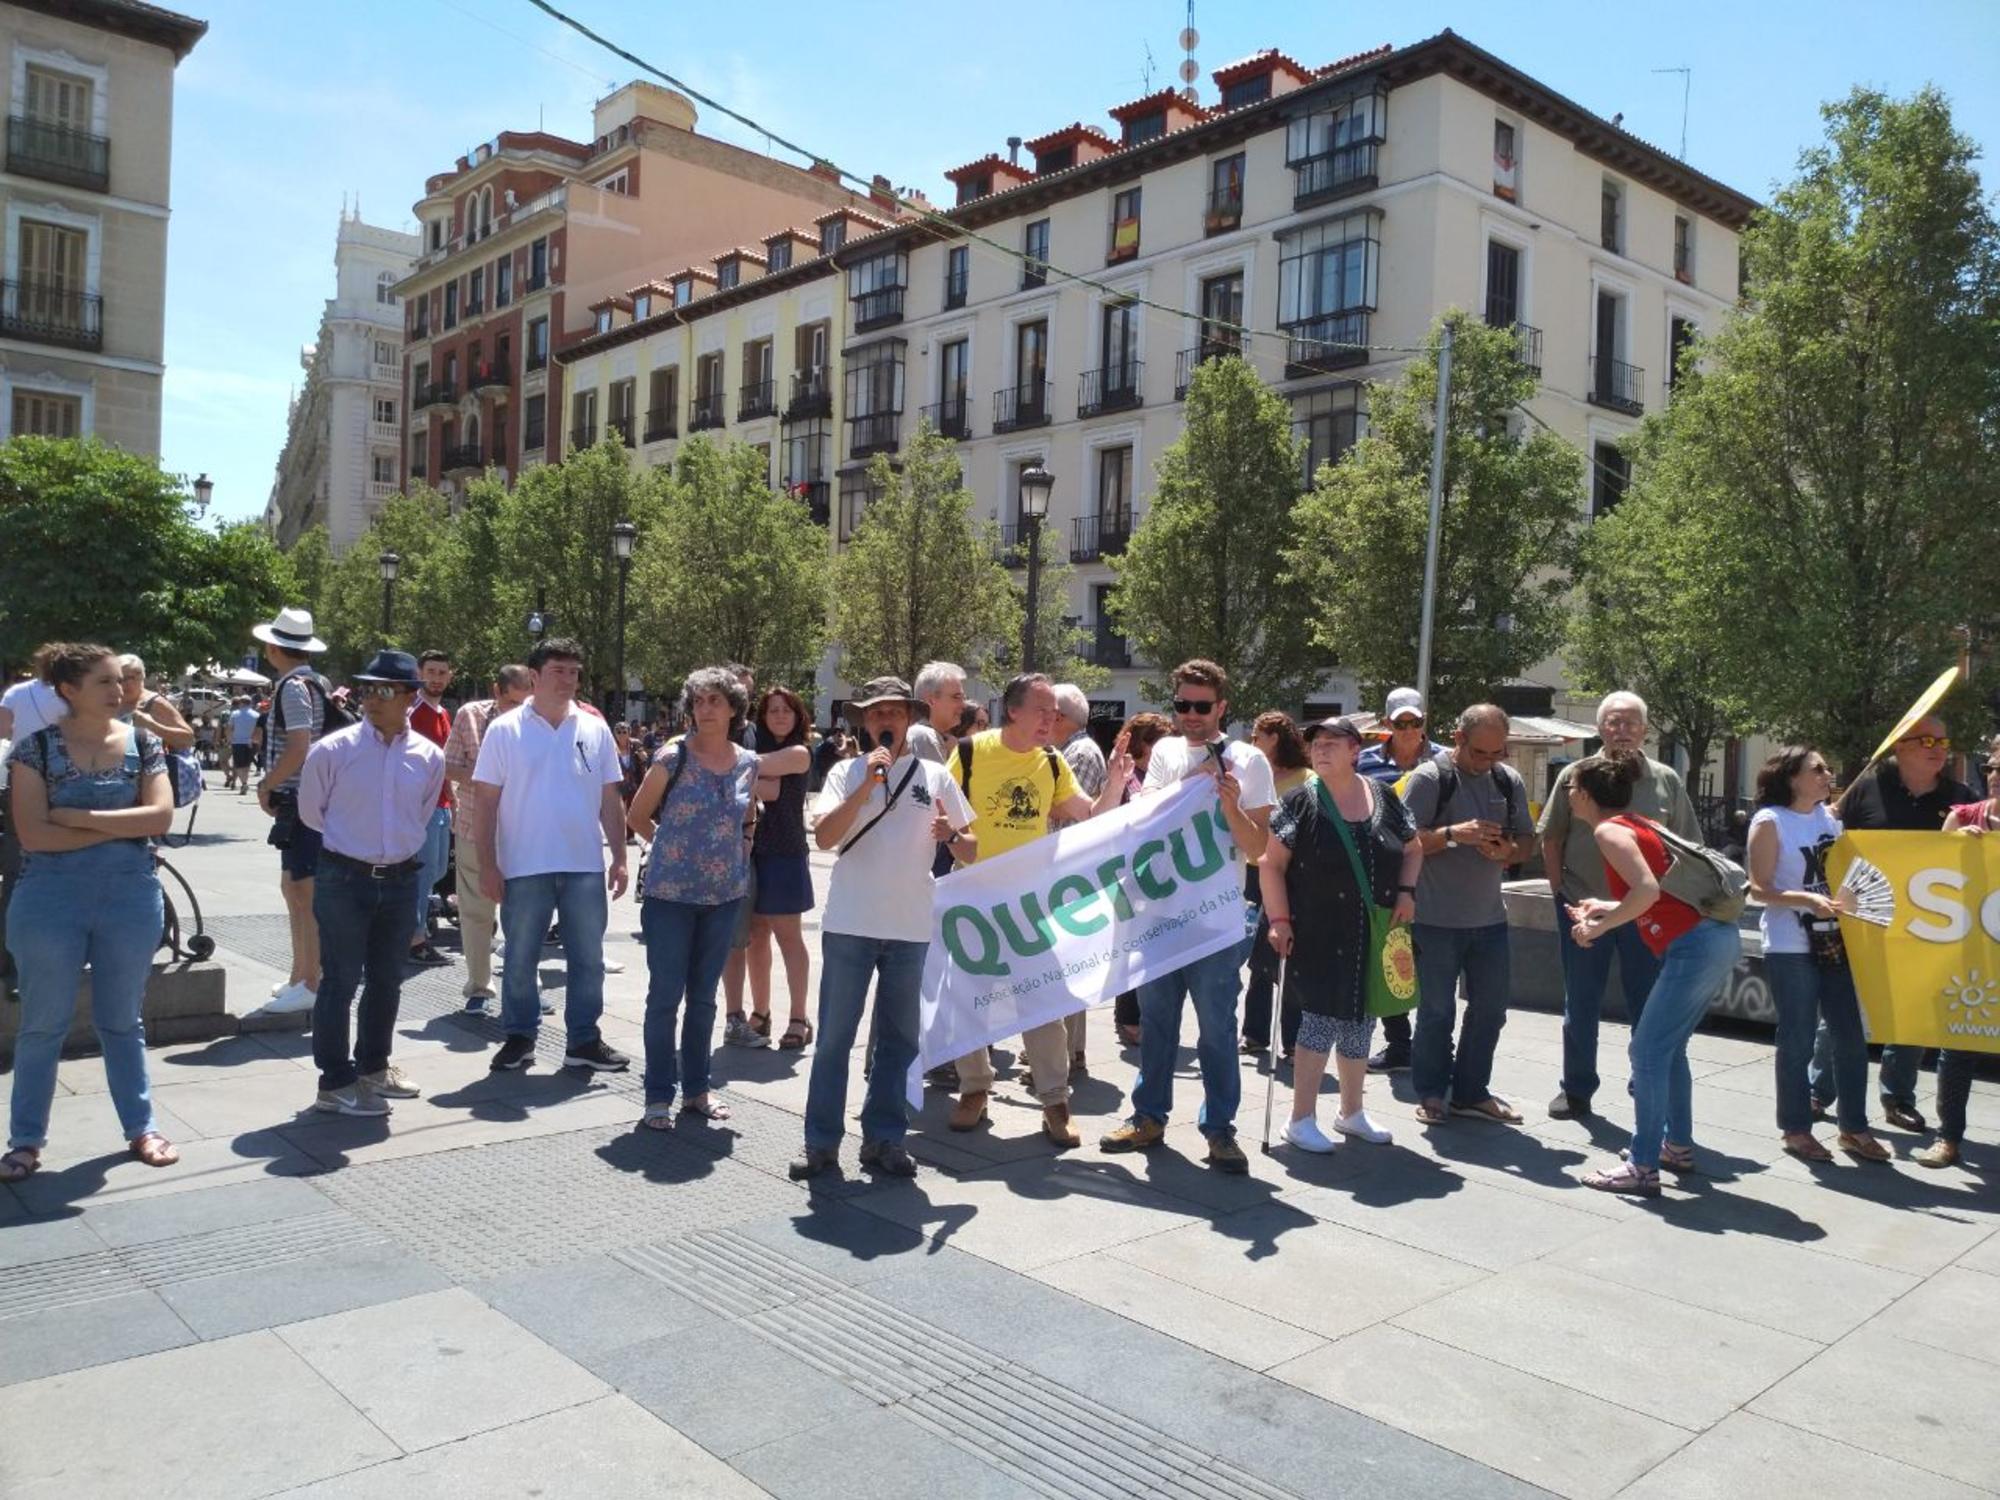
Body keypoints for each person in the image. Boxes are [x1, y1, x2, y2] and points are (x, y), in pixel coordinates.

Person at [2, 643, 178, 1183]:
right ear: (69, 691)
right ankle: (26, 1140)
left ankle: (141, 1127)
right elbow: (34, 834)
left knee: (123, 1021)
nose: (120, 691)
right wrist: (120, 824)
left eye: (121, 681)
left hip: (129, 896)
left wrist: (78, 816)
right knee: (42, 1025)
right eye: (105, 682)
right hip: (50, 899)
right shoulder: (33, 749)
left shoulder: (144, 744)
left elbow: (161, 817)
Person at [791, 678, 974, 1179]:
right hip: (850, 924)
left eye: (894, 712)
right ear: (865, 723)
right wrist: (866, 786)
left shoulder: (936, 776)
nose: (885, 721)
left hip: (910, 929)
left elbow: (971, 847)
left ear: (909, 719)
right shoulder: (845, 772)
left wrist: (951, 835)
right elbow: (826, 837)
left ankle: (884, 1139)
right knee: (833, 1041)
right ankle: (820, 1143)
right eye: (875, 714)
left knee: (899, 1043)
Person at [1100, 659, 1275, 1173]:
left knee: (1218, 1029)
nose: (1191, 715)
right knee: (1157, 1024)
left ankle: (1219, 1129)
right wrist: (1188, 784)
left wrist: (1230, 806)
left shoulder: (1249, 760)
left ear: (1222, 707)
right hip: (1160, 915)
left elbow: (1258, 847)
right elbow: (1146, 822)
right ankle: (1148, 1116)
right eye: (1182, 705)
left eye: (1202, 706)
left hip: (1216, 919)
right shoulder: (1168, 753)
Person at [948, 672, 1119, 1144]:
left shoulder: (1051, 761)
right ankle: (974, 1089)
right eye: (1042, 710)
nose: (1052, 719)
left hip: (1032, 905)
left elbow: (1091, 817)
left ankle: (1055, 1101)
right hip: (975, 902)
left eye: (1055, 713)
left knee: (1044, 1001)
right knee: (971, 1001)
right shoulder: (968, 753)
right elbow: (945, 824)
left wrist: (1119, 778)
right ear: (1014, 710)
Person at [1565, 748, 1745, 1195]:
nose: (1568, 793)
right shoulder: (1643, 823)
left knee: (1645, 1054)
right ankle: (1676, 1147)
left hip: (1692, 947)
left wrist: (1598, 927)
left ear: (1585, 795)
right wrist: (1607, 906)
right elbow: (1663, 893)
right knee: (1669, 1050)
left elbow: (1645, 891)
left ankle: (1643, 1167)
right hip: (1715, 938)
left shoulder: (1609, 831)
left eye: (1571, 787)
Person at [1537, 691, 1702, 1119]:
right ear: (1600, 728)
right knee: (1581, 1001)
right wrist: (1559, 893)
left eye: (1630, 722)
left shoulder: (1666, 780)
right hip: (1583, 907)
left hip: (1647, 911)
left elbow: (1689, 846)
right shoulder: (1575, 775)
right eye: (1613, 721)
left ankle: (1643, 1080)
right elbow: (1551, 836)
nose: (1622, 730)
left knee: (1647, 1001)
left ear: (1645, 730)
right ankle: (1576, 1089)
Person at [297, 651, 446, 1116]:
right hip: (344, 875)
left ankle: (374, 1066)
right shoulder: (332, 750)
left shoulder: (428, 756)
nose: (372, 699)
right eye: (367, 689)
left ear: (408, 697)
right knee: (340, 979)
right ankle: (334, 1081)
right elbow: (311, 813)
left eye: (384, 690)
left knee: (387, 978)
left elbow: (421, 815)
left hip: (401, 878)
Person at [471, 637, 630, 1075]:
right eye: (558, 671)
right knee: (520, 956)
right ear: (535, 677)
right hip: (523, 865)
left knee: (588, 958)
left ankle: (583, 1039)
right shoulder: (505, 730)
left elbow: (609, 796)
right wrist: (487, 864)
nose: (568, 680)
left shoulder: (594, 728)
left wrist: (619, 854)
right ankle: (519, 1036)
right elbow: (485, 802)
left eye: (574, 672)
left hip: (583, 864)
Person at [1262, 716, 1419, 1151]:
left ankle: (1352, 1112)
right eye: (1317, 743)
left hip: (1373, 927)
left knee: (1361, 1019)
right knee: (1318, 1020)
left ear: (1356, 751)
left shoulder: (1384, 796)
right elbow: (1270, 865)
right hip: (1316, 928)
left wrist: (1406, 892)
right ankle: (1300, 1118)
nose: (1322, 750)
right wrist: (1279, 921)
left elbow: (1412, 846)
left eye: (1334, 742)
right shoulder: (1299, 801)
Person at [1821, 712, 1974, 1131]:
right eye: (1929, 742)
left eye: (1945, 743)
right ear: (1902, 746)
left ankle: (1898, 1098)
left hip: (1926, 924)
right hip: (1863, 918)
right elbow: (1830, 843)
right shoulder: (1866, 789)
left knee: (1913, 1012)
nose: (1941, 750)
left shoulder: (1960, 796)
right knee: (1843, 1005)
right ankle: (1819, 1091)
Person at [625, 667, 760, 1126]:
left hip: (723, 896)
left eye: (715, 701)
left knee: (704, 998)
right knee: (665, 996)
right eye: (699, 701)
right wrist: (669, 846)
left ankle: (698, 1090)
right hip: (670, 895)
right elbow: (638, 814)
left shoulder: (748, 762)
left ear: (733, 709)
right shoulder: (671, 756)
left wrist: (740, 851)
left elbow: (748, 817)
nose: (705, 710)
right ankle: (658, 1095)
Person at [1745, 746, 1889, 1162]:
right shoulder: (1770, 822)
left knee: (1849, 1034)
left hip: (1837, 941)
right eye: (1817, 769)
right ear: (1791, 778)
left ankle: (1854, 1128)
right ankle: (1795, 1129)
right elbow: (1758, 889)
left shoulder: (1830, 819)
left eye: (1828, 767)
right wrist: (1807, 900)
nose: (1828, 774)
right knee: (1797, 1038)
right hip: (1791, 944)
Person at [1400, 703, 1537, 1126]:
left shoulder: (1506, 780)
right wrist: (1451, 835)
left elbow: (1526, 844)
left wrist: (1506, 852)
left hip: (1489, 919)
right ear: (1458, 738)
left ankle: (1471, 1092)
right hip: (1434, 920)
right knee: (1437, 1011)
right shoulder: (1430, 778)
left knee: (1491, 1010)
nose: (1490, 762)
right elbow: (1400, 841)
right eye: (1481, 753)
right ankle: (1431, 1091)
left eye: (1499, 753)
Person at [1357, 686, 1446, 1073]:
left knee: (1434, 965)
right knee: (1390, 956)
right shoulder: (1364, 763)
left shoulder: (1445, 761)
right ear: (1387, 723)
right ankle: (1399, 1044)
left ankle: (1437, 1047)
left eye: (1416, 722)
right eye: (1401, 723)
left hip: (1439, 877)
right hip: (1385, 876)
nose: (1410, 730)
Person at [1918, 765, 2000, 1169]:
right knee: (1958, 1048)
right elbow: (1928, 876)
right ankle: (1948, 1137)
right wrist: (1953, 845)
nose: (1996, 775)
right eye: (1994, 767)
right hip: (1971, 957)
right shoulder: (1964, 817)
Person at [252, 607, 332, 1017]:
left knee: (302, 892)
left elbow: (299, 744)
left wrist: (267, 783)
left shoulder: (291, 687)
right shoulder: (317, 682)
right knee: (296, 889)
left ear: (272, 647)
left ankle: (309, 981)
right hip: (311, 800)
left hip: (301, 799)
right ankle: (301, 975)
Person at [443, 665, 530, 1013]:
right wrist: (486, 780)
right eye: (512, 702)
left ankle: (523, 984)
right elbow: (448, 765)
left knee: (525, 912)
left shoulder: (538, 722)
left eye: (526, 703)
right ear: (497, 691)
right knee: (476, 911)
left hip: (525, 831)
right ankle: (479, 985)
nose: (518, 711)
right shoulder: (470, 715)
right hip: (473, 827)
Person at [739, 686, 816, 1051]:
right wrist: (756, 777)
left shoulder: (800, 751)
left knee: (789, 938)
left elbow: (763, 789)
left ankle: (799, 1017)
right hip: (752, 852)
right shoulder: (758, 752)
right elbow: (759, 781)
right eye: (772, 711)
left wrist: (746, 774)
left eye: (787, 710)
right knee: (755, 936)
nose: (780, 716)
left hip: (785, 852)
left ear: (798, 715)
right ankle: (761, 1012)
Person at [1240, 710, 1312, 1058]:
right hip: (1255, 869)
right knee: (1257, 955)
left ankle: (1294, 1040)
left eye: (1258, 736)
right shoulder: (1254, 773)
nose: (1253, 742)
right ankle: (1254, 1033)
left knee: (1289, 954)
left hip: (1289, 873)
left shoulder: (1306, 778)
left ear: (1276, 738)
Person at [1108, 711, 1172, 1047]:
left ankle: (1141, 1015)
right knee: (1131, 946)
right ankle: (1128, 1018)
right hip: (1127, 875)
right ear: (1145, 743)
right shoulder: (1127, 776)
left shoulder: (1155, 774)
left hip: (1155, 875)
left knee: (1148, 947)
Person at [404, 650, 455, 967]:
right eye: (431, 671)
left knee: (436, 871)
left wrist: (453, 799)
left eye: (442, 672)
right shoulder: (412, 711)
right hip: (420, 807)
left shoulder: (443, 713)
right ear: (419, 672)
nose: (436, 678)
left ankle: (413, 926)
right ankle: (415, 939)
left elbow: (445, 764)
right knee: (422, 875)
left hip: (441, 805)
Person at [115, 655, 194, 752]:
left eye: (129, 678)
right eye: (120, 679)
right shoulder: (111, 701)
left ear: (141, 676)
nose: (124, 683)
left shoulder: (155, 703)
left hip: (148, 765)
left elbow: (188, 739)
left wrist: (152, 725)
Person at [226, 695, 258, 793]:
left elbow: (230, 728)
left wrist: (229, 740)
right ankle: (245, 782)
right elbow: (258, 730)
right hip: (251, 742)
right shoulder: (256, 715)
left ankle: (244, 783)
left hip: (237, 742)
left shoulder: (235, 714)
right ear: (250, 703)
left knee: (239, 765)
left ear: (241, 703)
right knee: (247, 764)